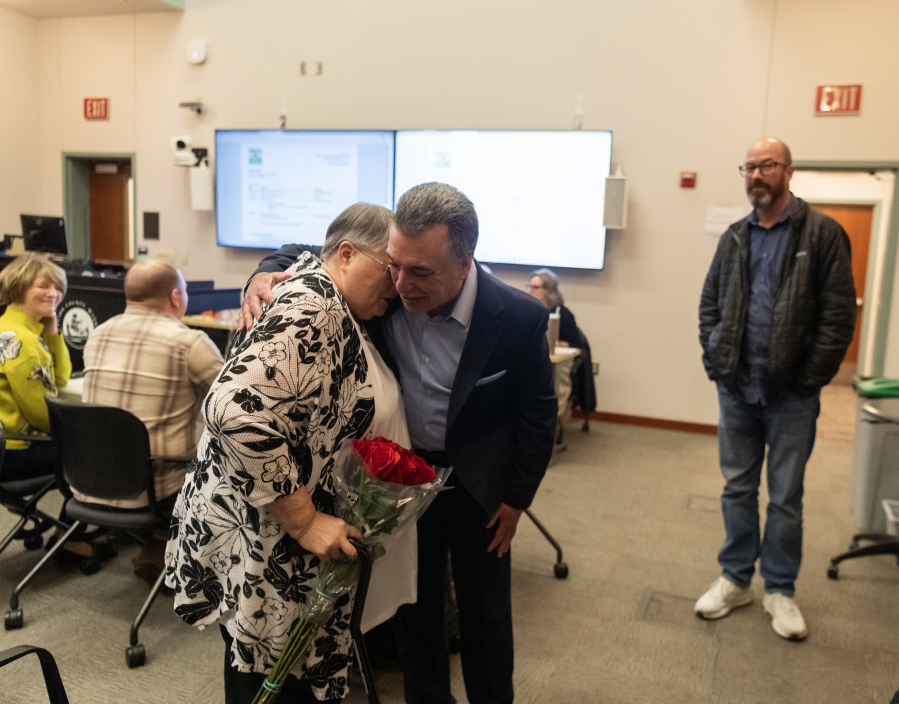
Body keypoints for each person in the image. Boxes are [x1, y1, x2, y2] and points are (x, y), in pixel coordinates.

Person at [242, 182, 557, 704]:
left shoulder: (518, 318)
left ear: (464, 262)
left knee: (485, 616)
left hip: (479, 488)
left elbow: (537, 416)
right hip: (398, 479)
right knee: (416, 612)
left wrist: (517, 499)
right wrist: (260, 274)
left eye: (421, 273)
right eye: (395, 264)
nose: (402, 285)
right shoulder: (389, 288)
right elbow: (307, 251)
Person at [167, 203, 413, 704]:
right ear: (346, 254)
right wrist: (304, 522)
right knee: (269, 684)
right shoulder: (315, 306)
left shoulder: (315, 284)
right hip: (267, 529)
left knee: (260, 673)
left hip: (254, 519)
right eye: (391, 268)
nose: (399, 285)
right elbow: (234, 410)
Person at [696, 137, 856, 640]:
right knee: (737, 489)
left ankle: (780, 589)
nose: (756, 175)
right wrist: (717, 359)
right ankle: (737, 578)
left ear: (789, 172)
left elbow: (837, 318)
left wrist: (810, 379)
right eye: (749, 166)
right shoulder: (735, 236)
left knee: (786, 497)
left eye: (767, 165)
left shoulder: (823, 233)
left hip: (792, 397)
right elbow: (709, 306)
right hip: (737, 390)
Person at [79, 259, 224, 584]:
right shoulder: (189, 342)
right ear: (176, 297)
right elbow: (232, 405)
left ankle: (153, 542)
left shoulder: (98, 334)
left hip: (88, 479)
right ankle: (169, 547)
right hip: (154, 491)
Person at [527, 267, 578, 346]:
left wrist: (555, 344)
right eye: (530, 287)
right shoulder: (529, 311)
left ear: (548, 290)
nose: (530, 291)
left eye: (535, 287)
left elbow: (575, 344)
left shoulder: (563, 314)